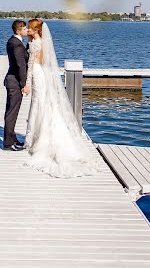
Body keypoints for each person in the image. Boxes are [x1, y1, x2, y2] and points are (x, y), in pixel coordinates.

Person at [24, 18, 103, 178]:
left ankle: (35, 139)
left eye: (30, 28)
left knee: (37, 104)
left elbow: (31, 65)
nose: (28, 30)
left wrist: (27, 84)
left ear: (37, 30)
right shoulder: (43, 43)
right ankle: (39, 136)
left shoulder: (34, 44)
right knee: (44, 104)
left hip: (37, 75)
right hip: (44, 75)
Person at [3, 20, 28, 151]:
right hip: (15, 82)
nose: (26, 30)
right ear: (18, 30)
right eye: (24, 28)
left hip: (12, 80)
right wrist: (24, 84)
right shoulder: (16, 44)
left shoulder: (13, 41)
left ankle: (13, 139)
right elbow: (20, 65)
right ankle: (8, 144)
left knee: (13, 112)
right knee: (11, 113)